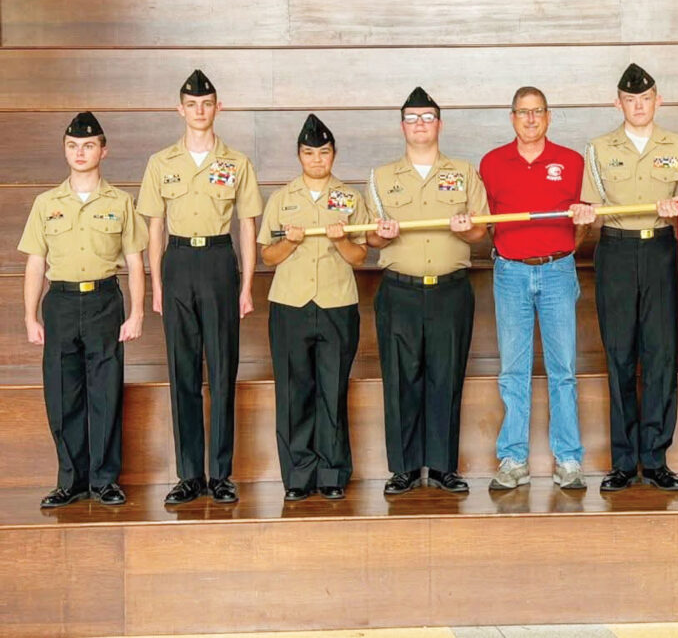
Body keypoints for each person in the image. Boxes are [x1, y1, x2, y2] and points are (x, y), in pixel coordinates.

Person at [137, 70, 264, 505]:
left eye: (206, 104)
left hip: (217, 260)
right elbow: (155, 228)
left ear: (218, 108)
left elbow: (247, 227)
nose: (199, 111)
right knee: (183, 370)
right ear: (180, 110)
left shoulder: (237, 163)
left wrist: (246, 286)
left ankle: (221, 474)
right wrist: (157, 284)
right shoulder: (161, 162)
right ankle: (189, 474)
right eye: (191, 104)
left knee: (223, 369)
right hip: (177, 261)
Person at [575, 63, 678, 492]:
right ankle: (624, 461)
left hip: (661, 251)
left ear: (658, 101)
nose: (639, 106)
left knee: (662, 355)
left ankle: (657, 458)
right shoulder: (597, 149)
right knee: (620, 357)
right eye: (630, 100)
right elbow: (589, 213)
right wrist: (585, 216)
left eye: (645, 98)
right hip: (616, 251)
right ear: (618, 104)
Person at [19, 112, 148, 507]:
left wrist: (137, 313)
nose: (80, 152)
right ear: (64, 150)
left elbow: (135, 261)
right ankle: (70, 481)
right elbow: (36, 263)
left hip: (103, 301)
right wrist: (30, 316)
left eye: (88, 145)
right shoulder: (46, 203)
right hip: (59, 303)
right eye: (73, 146)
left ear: (103, 151)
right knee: (62, 394)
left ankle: (105, 480)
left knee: (105, 392)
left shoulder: (120, 202)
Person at [366, 87, 489, 495]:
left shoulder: (464, 172)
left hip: (450, 291)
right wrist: (381, 236)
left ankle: (441, 466)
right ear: (402, 126)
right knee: (400, 379)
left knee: (445, 377)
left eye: (427, 117)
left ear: (439, 124)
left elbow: (481, 232)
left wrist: (466, 229)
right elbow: (370, 239)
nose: (419, 124)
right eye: (412, 118)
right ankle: (403, 468)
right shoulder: (381, 177)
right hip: (399, 291)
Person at [479, 86, 588, 491]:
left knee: (564, 370)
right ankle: (513, 459)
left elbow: (582, 223)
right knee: (513, 369)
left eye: (537, 111)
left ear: (548, 116)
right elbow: (484, 224)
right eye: (523, 112)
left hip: (558, 271)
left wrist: (564, 250)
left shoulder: (571, 161)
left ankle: (569, 459)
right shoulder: (492, 162)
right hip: (510, 273)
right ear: (512, 117)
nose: (530, 119)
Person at [258, 115, 368, 501]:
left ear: (334, 154)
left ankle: (332, 473)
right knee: (294, 390)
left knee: (332, 390)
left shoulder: (350, 198)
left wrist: (341, 241)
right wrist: (290, 242)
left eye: (323, 152)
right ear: (299, 156)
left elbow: (360, 256)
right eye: (309, 153)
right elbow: (267, 257)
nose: (317, 159)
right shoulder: (282, 198)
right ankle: (298, 475)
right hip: (291, 305)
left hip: (337, 303)